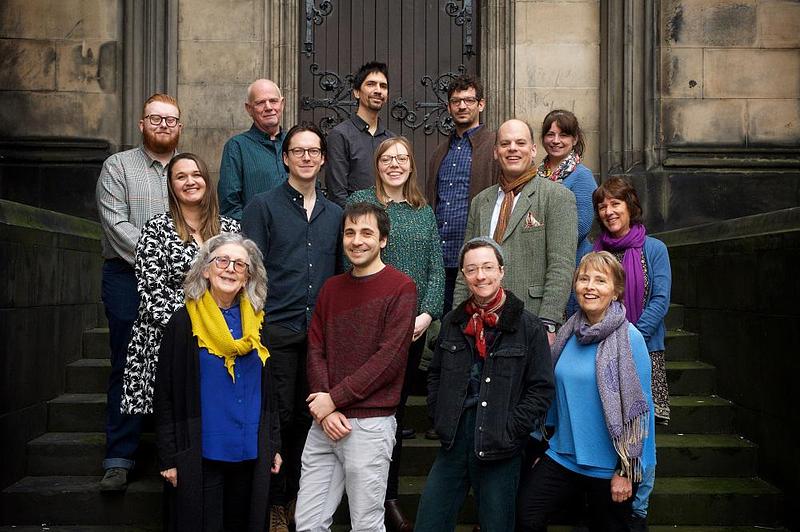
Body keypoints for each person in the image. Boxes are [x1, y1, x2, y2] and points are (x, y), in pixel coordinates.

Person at [414, 237, 555, 532]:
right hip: (455, 437)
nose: (481, 276)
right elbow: (436, 374)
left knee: (497, 526)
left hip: (500, 442)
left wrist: (512, 429)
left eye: (488, 267)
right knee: (429, 522)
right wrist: (440, 418)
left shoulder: (528, 327)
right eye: (472, 269)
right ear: (464, 275)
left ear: (502, 271)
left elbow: (540, 388)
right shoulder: (453, 322)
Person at [242, 123, 342, 531]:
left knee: (309, 418)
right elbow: (250, 270)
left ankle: (304, 497)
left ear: (321, 159)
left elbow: (338, 275)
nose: (306, 157)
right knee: (278, 418)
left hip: (320, 335)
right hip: (276, 331)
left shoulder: (335, 213)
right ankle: (274, 504)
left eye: (313, 151)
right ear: (285, 157)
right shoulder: (262, 206)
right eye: (298, 150)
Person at [294, 202, 417, 532]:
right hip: (325, 424)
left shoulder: (401, 288)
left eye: (367, 233)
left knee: (365, 525)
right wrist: (326, 408)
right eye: (350, 232)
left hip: (369, 425)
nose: (357, 240)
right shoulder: (331, 288)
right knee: (307, 523)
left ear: (383, 240)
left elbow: (388, 360)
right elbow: (316, 349)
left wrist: (333, 400)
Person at [516, 251, 656, 532]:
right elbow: (552, 395)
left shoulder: (631, 339)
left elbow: (642, 412)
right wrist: (542, 442)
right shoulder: (568, 333)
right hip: (563, 455)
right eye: (584, 279)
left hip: (610, 465)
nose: (590, 286)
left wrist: (626, 472)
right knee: (527, 515)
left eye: (600, 281)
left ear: (616, 291)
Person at [347, 136, 445, 531]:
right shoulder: (361, 202)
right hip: (368, 329)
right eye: (388, 158)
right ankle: (359, 493)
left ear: (411, 166)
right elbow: (349, 259)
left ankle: (387, 497)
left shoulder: (423, 211)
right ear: (378, 163)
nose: (395, 164)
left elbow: (437, 268)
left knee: (393, 416)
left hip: (411, 332)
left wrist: (426, 314)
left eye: (402, 158)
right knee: (364, 413)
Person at [154, 233, 282, 532]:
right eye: (222, 261)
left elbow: (271, 393)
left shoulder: (259, 324)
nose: (230, 269)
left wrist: (273, 444)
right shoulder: (184, 322)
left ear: (249, 276)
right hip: (199, 452)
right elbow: (164, 394)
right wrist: (168, 456)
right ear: (206, 270)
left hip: (250, 450)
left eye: (240, 264)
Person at [95, 93, 182, 491]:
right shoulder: (119, 166)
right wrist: (163, 257)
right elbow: (116, 224)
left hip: (179, 280)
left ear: (179, 126)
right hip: (127, 276)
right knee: (129, 360)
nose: (164, 125)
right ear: (141, 124)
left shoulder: (187, 169)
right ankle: (120, 457)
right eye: (156, 118)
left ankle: (177, 451)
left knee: (178, 363)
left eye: (171, 120)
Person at [121, 153, 240, 416]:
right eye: (181, 176)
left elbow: (242, 283)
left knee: (215, 415)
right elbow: (153, 294)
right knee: (175, 422)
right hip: (171, 336)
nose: (190, 181)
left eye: (196, 175)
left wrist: (220, 326)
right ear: (171, 186)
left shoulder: (230, 230)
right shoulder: (156, 230)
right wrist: (200, 323)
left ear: (207, 181)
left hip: (222, 337)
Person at [592, 177, 672, 527]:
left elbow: (660, 299)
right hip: (602, 354)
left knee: (643, 433)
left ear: (630, 205)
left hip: (644, 350)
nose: (608, 211)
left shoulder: (654, 249)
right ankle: (606, 503)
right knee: (609, 426)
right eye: (602, 205)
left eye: (615, 203)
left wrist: (630, 338)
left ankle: (638, 510)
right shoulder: (595, 252)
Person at [454, 119, 578, 344]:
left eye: (520, 143)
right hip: (480, 320)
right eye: (505, 143)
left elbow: (562, 265)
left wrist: (548, 322)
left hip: (530, 319)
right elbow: (467, 267)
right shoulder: (481, 202)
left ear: (532, 150)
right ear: (495, 152)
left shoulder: (557, 197)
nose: (512, 148)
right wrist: (457, 318)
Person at [426, 75, 499, 313]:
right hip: (443, 255)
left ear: (481, 104)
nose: (462, 106)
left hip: (478, 258)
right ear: (449, 106)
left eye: (468, 100)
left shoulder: (494, 146)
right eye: (456, 101)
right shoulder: (440, 152)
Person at [536, 109, 597, 316]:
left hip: (571, 264)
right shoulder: (535, 175)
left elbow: (581, 226)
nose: (556, 140)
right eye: (550, 134)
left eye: (563, 135)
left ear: (575, 138)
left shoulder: (582, 176)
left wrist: (538, 235)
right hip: (539, 265)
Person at [325, 61, 395, 207]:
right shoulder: (340, 135)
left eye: (383, 86)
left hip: (389, 223)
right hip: (355, 223)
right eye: (371, 84)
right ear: (356, 92)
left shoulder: (391, 140)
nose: (378, 90)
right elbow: (337, 193)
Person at [218, 79, 288, 221]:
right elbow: (229, 205)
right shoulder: (237, 147)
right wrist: (256, 230)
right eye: (260, 103)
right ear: (249, 109)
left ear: (282, 103)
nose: (268, 107)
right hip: (255, 238)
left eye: (273, 101)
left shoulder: (295, 143)